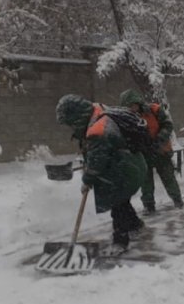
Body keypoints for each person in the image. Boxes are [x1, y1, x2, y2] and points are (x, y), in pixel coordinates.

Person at [55, 94, 147, 249]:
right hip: (132, 164)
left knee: (117, 205)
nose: (70, 127)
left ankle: (120, 241)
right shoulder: (97, 110)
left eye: (70, 123)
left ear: (76, 117)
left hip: (126, 170)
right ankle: (135, 225)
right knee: (122, 201)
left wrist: (87, 180)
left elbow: (97, 162)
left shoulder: (98, 130)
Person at [119, 89, 183, 213]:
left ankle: (177, 200)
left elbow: (168, 125)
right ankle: (149, 206)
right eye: (128, 107)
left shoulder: (155, 110)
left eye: (133, 105)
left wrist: (158, 140)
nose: (132, 109)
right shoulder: (128, 118)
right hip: (143, 153)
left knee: (168, 177)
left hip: (160, 151)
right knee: (146, 181)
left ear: (138, 102)